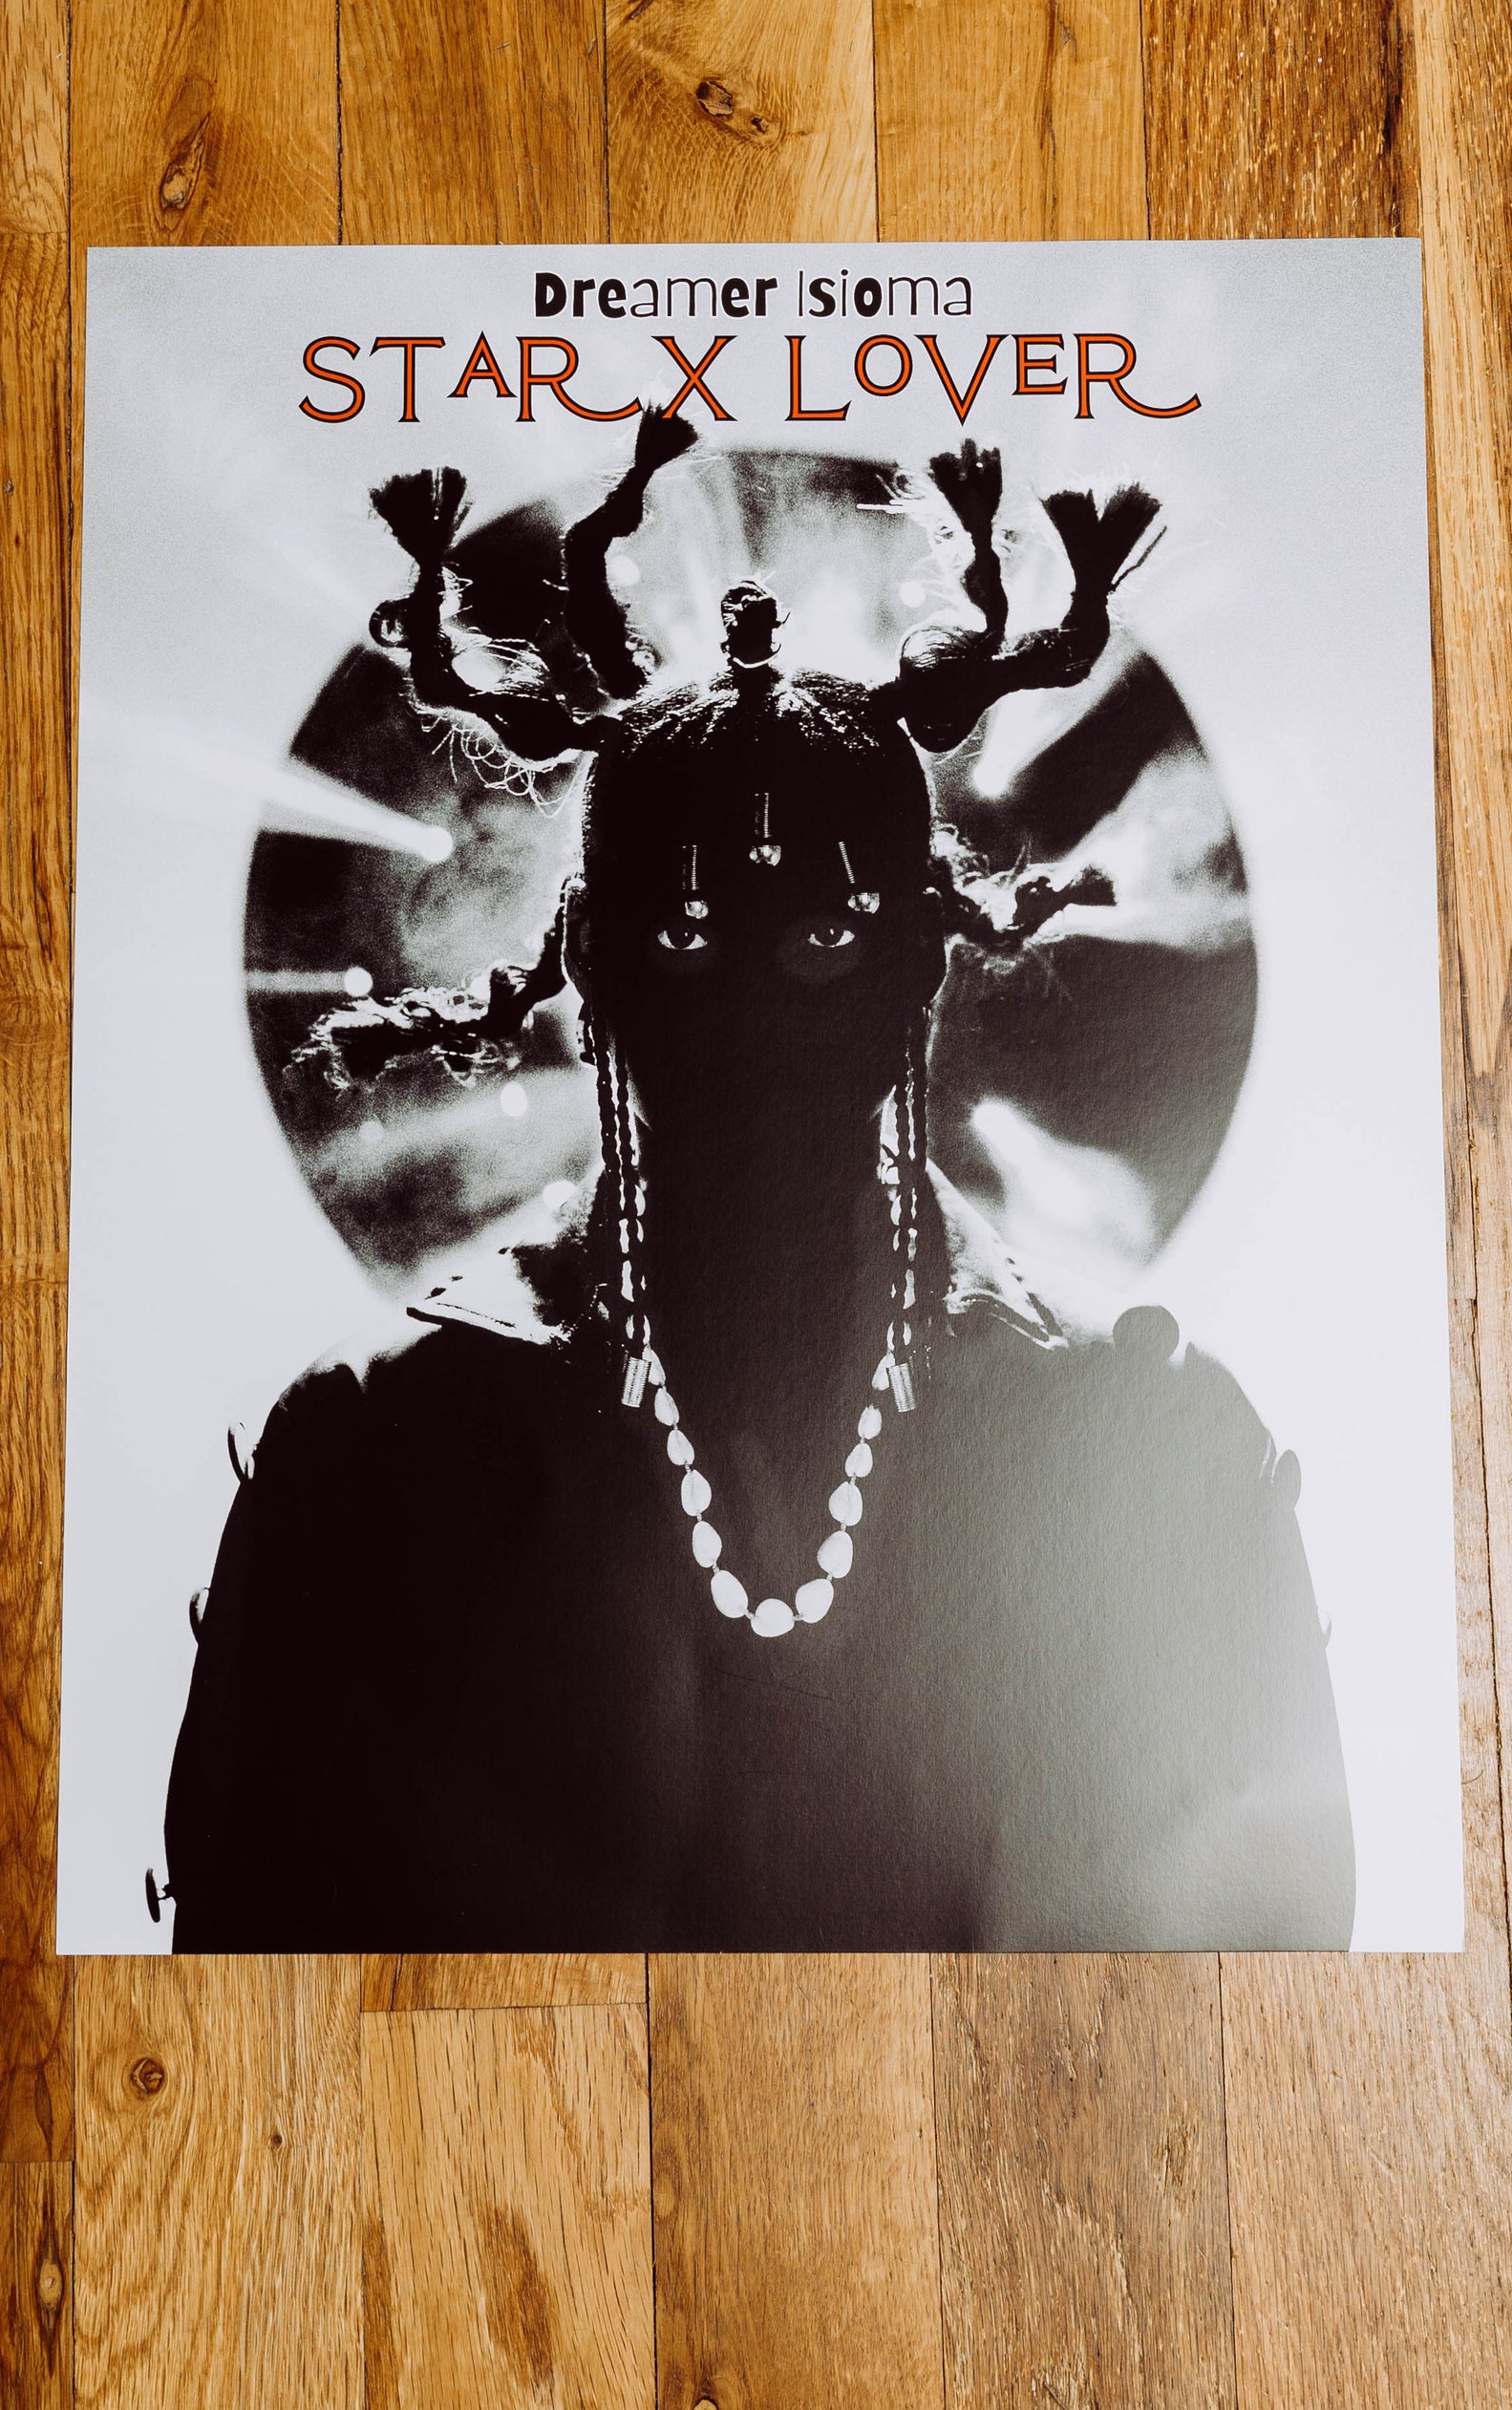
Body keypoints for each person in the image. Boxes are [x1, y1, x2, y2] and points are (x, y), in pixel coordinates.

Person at [163, 419, 1353, 1951]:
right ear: (590, 969)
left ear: (922, 967)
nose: (754, 1015)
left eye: (826, 943)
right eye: (683, 942)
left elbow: (1265, 1993)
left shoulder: (1150, 1447)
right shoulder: (367, 1466)